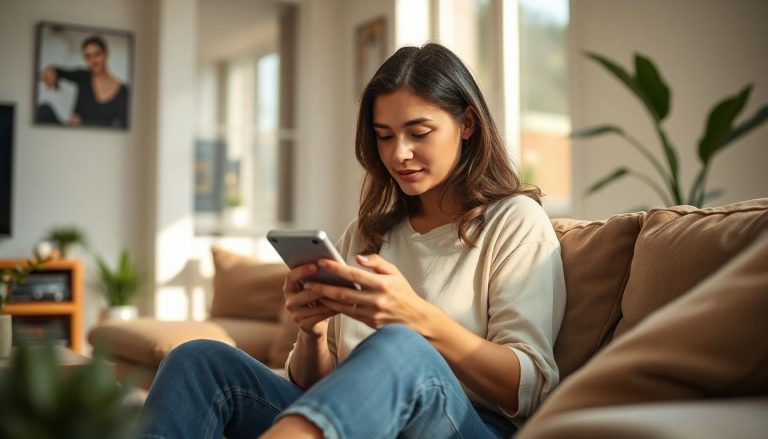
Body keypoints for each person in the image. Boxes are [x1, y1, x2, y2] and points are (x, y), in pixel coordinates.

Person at [138, 42, 566, 439]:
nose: (399, 153)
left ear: (467, 124)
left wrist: (415, 319)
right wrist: (312, 331)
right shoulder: (368, 233)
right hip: (362, 421)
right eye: (384, 135)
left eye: (419, 133)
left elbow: (527, 388)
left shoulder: (514, 221)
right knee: (196, 361)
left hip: (465, 424)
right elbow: (321, 388)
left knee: (400, 345)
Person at [37, 35, 128, 128]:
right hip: (72, 135)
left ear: (106, 55)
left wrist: (83, 123)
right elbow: (60, 72)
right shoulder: (83, 76)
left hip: (99, 140)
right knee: (44, 111)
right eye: (88, 57)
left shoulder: (124, 91)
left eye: (97, 54)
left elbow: (120, 127)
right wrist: (51, 71)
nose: (93, 61)